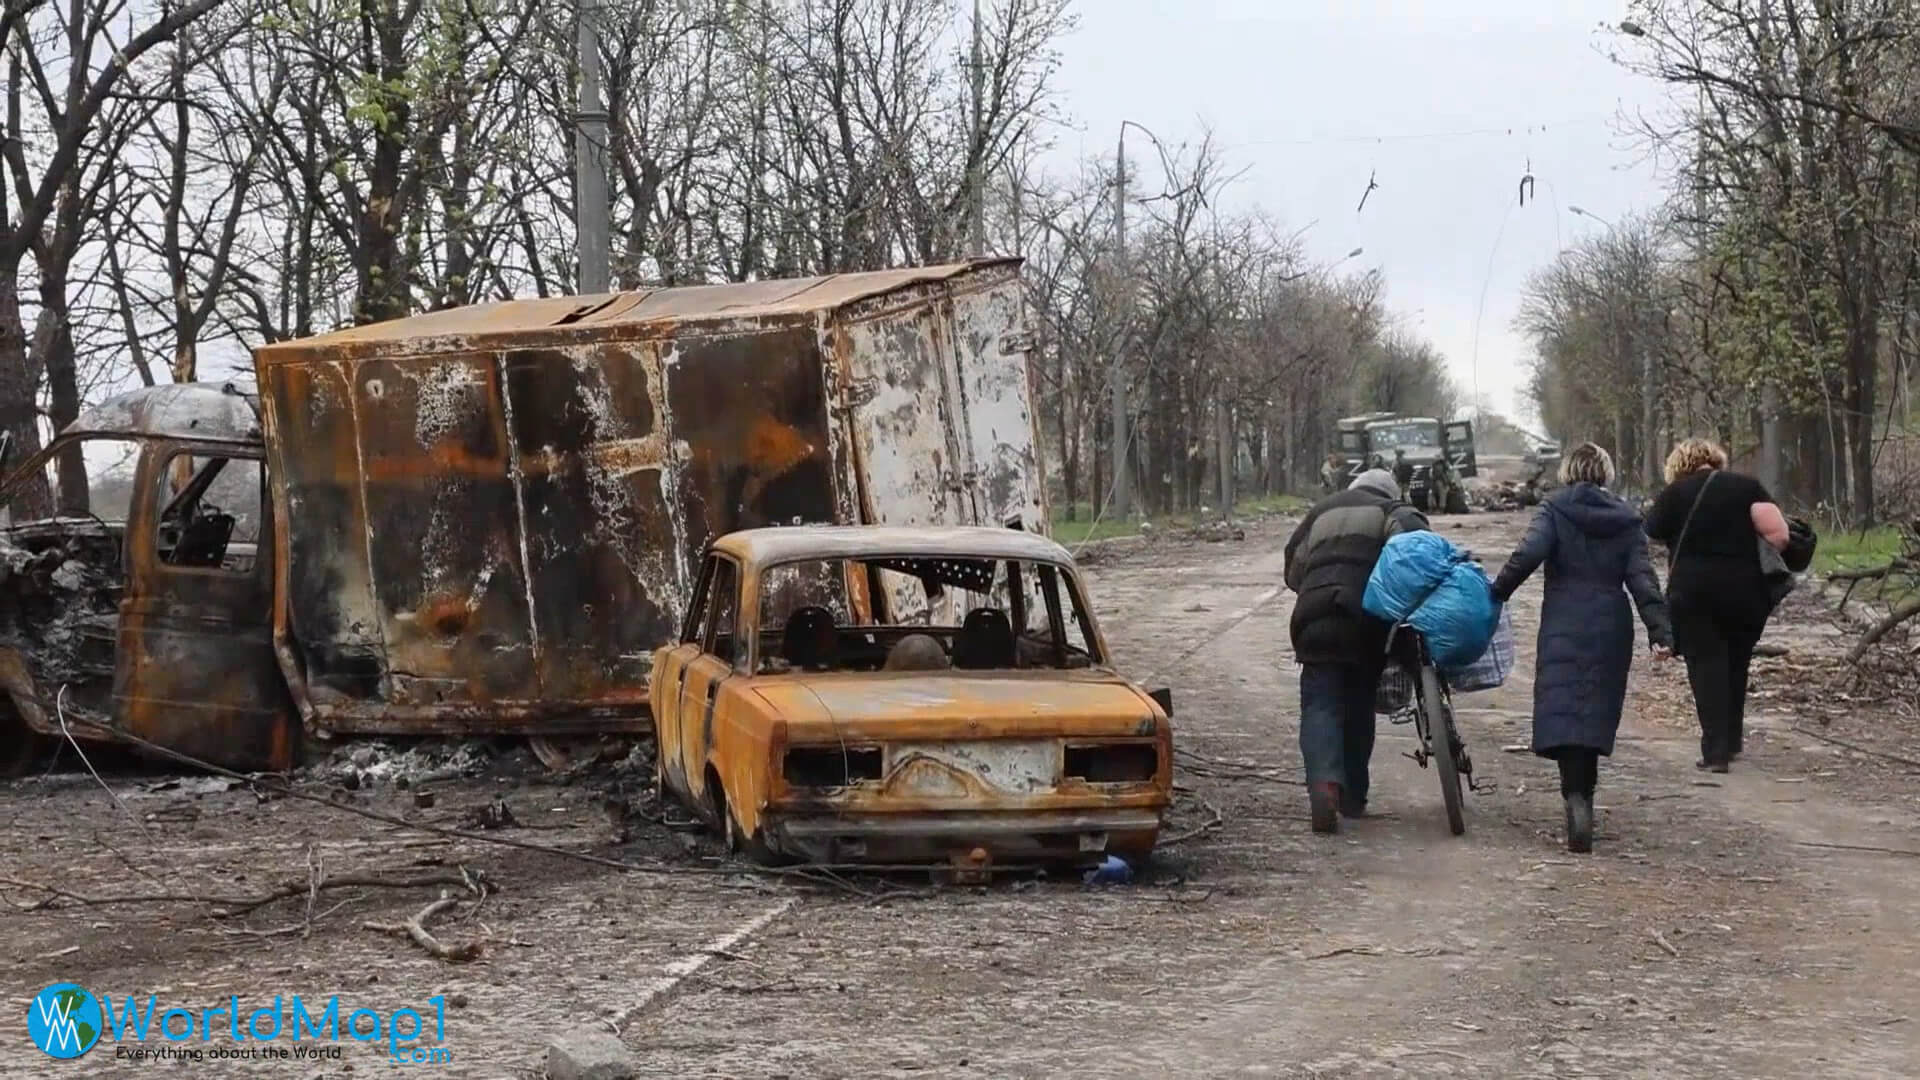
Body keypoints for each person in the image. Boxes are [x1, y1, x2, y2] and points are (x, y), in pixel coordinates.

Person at [1490, 443, 1673, 853]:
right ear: (1606, 473)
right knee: (1594, 705)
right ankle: (1584, 794)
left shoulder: (1555, 509)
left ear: (1568, 471)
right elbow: (1643, 580)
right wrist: (1661, 632)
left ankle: (1574, 795)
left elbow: (1527, 555)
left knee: (1564, 701)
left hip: (1563, 618)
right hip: (1611, 621)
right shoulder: (1626, 519)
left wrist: (1496, 593)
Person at [1283, 467, 1429, 833]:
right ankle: (1353, 796)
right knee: (1359, 702)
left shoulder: (1321, 511)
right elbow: (1418, 553)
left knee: (1320, 704)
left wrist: (1317, 587)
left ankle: (1323, 786)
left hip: (1312, 619)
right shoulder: (1392, 511)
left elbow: (1293, 567)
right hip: (1364, 619)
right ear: (1388, 491)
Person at [1642, 438, 1791, 772]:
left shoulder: (1674, 494)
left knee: (1706, 665)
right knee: (1736, 662)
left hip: (1692, 592)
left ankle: (1716, 752)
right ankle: (1733, 741)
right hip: (1745, 591)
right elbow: (1780, 535)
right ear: (1716, 459)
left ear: (1678, 466)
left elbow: (1651, 531)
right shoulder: (1746, 487)